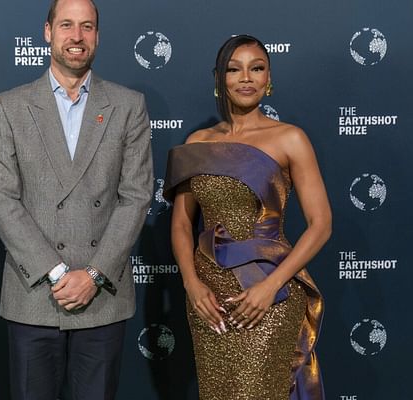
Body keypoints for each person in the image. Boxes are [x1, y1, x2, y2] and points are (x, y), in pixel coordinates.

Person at [0, 0, 153, 398]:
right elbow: (1, 198)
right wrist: (58, 273)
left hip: (102, 298)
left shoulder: (127, 106)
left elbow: (136, 195)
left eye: (87, 27)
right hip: (35, 294)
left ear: (97, 36)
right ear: (47, 31)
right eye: (67, 25)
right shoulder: (10, 106)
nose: (76, 37)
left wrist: (92, 275)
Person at [164, 34, 331, 400]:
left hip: (269, 296)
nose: (246, 78)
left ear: (268, 78)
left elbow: (321, 225)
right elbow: (180, 224)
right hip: (209, 303)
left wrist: (271, 287)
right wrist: (192, 286)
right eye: (234, 69)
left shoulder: (290, 138)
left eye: (256, 69)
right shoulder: (197, 144)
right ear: (219, 79)